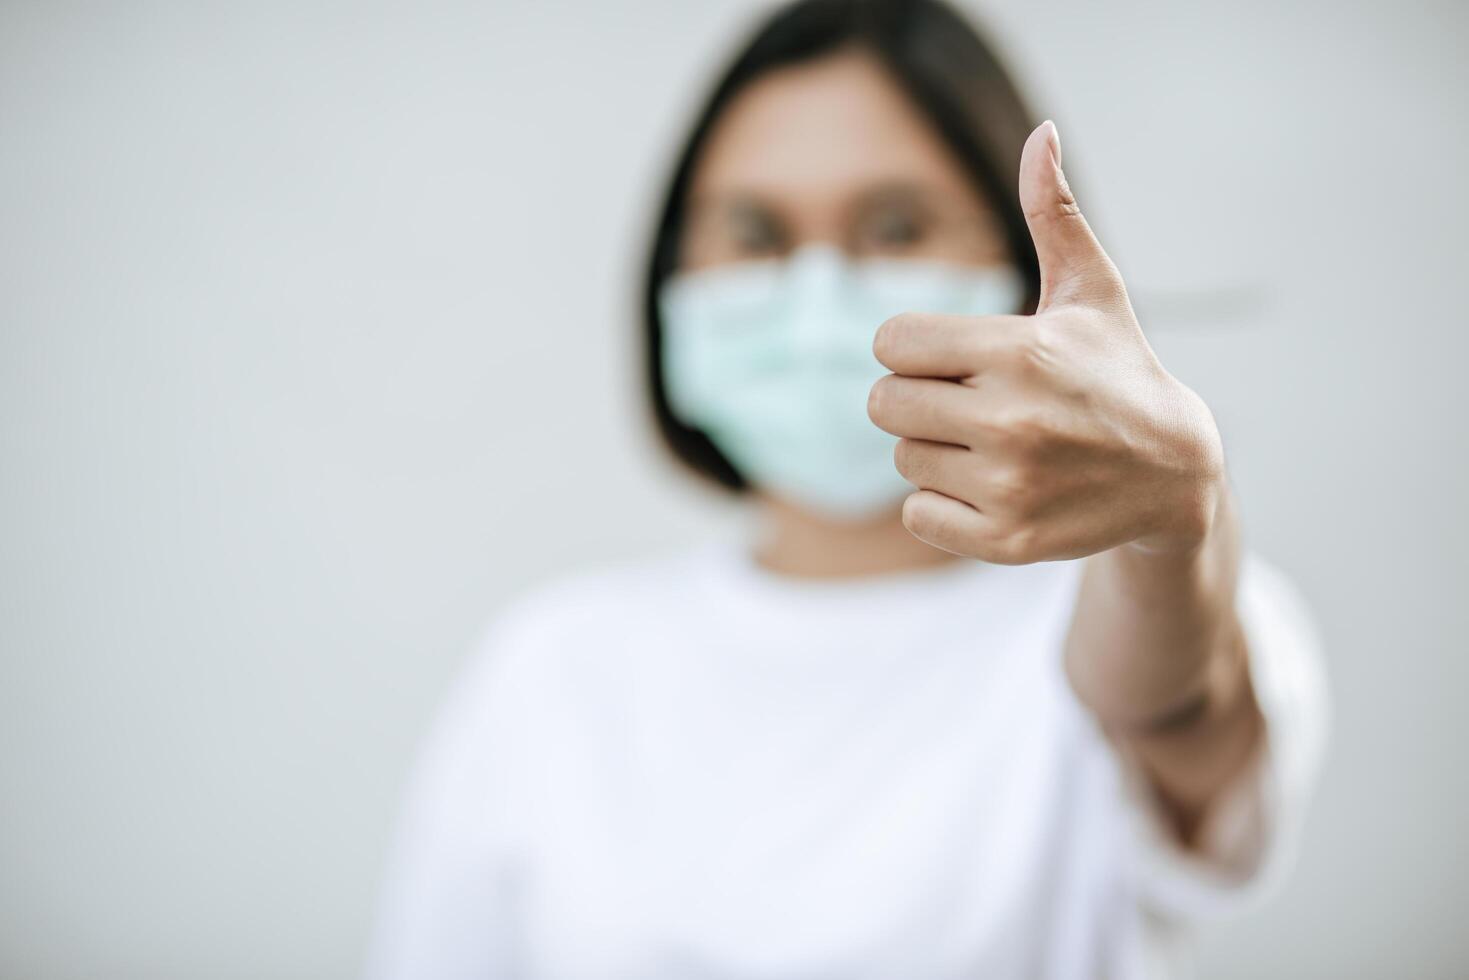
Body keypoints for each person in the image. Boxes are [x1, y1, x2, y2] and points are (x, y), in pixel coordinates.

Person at [364, 1, 1328, 977]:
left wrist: (1170, 527)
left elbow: (1174, 705)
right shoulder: (552, 670)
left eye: (893, 225)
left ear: (1017, 261)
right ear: (671, 272)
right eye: (755, 233)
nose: (814, 294)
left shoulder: (1145, 613)